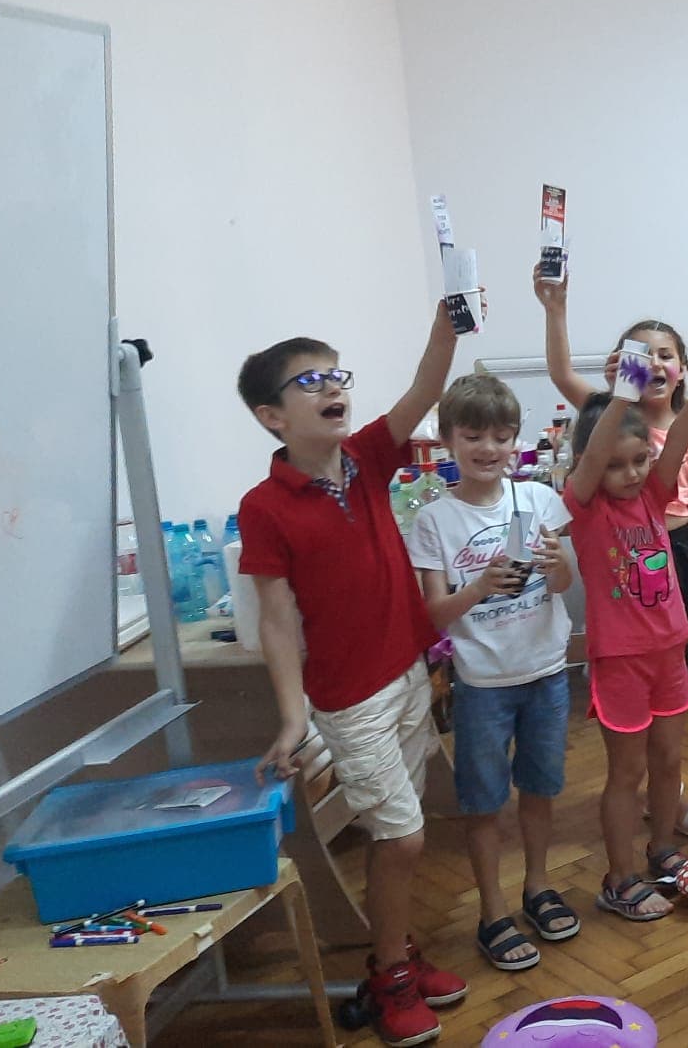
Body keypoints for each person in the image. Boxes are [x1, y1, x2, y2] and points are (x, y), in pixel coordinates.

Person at [237, 306, 465, 1047]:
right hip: (351, 699)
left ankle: (397, 954)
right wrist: (293, 715)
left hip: (408, 674)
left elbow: (424, 388)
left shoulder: (367, 457)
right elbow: (276, 618)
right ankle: (389, 977)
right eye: (310, 381)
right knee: (402, 837)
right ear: (272, 416)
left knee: (397, 825)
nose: (332, 387)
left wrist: (446, 326)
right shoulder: (264, 507)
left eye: (336, 374)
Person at [536, 267, 688, 835]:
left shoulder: (681, 446)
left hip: (672, 558)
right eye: (645, 356)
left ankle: (666, 814)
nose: (657, 364)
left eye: (667, 355)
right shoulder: (606, 426)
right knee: (631, 744)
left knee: (669, 722)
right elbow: (565, 384)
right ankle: (640, 830)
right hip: (619, 590)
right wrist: (556, 310)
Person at [409, 373, 580, 971]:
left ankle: (537, 886)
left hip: (547, 671)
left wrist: (557, 565)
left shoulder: (538, 500)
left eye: (501, 437)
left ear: (515, 440)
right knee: (482, 803)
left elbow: (564, 583)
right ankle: (492, 911)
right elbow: (434, 614)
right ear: (448, 439)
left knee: (540, 789)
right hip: (482, 684)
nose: (488, 448)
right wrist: (480, 586)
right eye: (473, 436)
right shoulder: (433, 519)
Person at [561, 346, 688, 922]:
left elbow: (676, 443)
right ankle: (619, 878)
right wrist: (622, 399)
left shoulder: (654, 494)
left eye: (638, 461)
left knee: (669, 760)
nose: (631, 474)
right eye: (617, 464)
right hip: (621, 661)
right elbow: (592, 461)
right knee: (627, 772)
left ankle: (661, 850)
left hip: (668, 652)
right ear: (591, 464)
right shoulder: (586, 509)